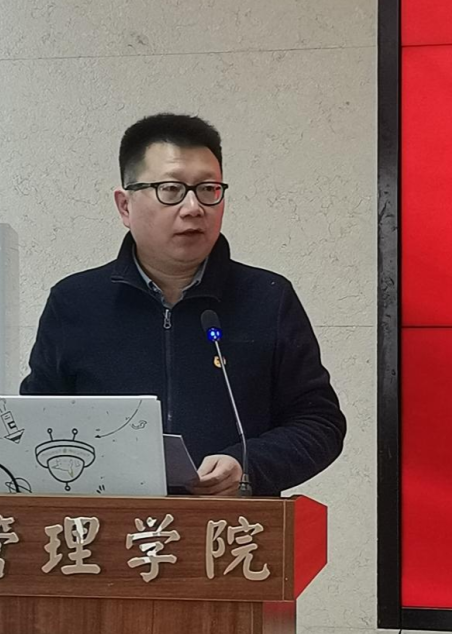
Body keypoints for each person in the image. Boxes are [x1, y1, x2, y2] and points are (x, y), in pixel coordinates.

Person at [20, 113, 346, 496]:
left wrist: (247, 465)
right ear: (124, 206)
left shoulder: (268, 297)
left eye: (208, 189)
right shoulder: (74, 302)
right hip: (107, 525)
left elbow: (319, 423)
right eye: (171, 189)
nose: (193, 207)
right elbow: (36, 424)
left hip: (230, 526)